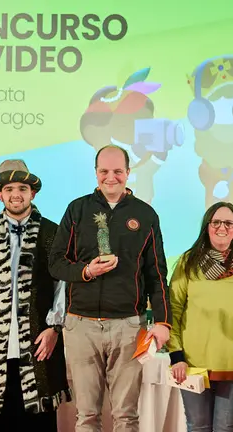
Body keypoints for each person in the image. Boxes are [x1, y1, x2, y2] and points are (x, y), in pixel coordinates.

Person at [49, 145, 172, 431]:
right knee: (87, 416)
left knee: (126, 417)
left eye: (118, 171)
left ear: (128, 173)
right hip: (81, 325)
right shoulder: (77, 209)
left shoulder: (145, 214)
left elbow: (157, 274)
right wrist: (86, 271)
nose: (111, 177)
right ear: (96, 173)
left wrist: (164, 322)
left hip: (129, 326)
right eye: (104, 171)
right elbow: (55, 263)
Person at [0, 160, 71, 430]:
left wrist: (54, 327)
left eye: (22, 187)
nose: (16, 194)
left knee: (38, 421)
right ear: (0, 194)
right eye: (9, 188)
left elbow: (63, 285)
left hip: (39, 343)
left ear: (33, 193)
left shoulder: (53, 234)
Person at [168, 202, 233, 432]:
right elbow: (174, 309)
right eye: (216, 222)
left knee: (226, 427)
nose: (222, 227)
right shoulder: (187, 262)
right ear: (207, 226)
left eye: (229, 223)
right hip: (192, 363)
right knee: (197, 426)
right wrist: (176, 355)